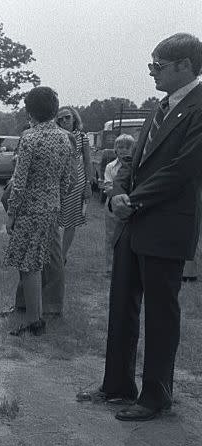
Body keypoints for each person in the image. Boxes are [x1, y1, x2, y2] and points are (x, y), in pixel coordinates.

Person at [78, 33, 202, 421]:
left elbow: (183, 168)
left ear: (185, 65)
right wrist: (116, 191)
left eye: (157, 67)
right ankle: (116, 386)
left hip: (165, 223)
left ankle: (155, 397)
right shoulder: (159, 107)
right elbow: (133, 160)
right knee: (121, 305)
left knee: (160, 314)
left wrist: (136, 200)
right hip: (133, 221)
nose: (151, 74)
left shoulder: (198, 108)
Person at [3, 86, 72, 336]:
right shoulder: (65, 137)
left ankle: (34, 320)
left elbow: (19, 182)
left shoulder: (30, 138)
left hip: (30, 207)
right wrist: (58, 201)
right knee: (38, 260)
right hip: (51, 206)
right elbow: (67, 178)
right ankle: (37, 314)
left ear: (30, 110)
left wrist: (11, 213)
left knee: (29, 263)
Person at [55, 106, 94, 261]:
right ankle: (54, 253)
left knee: (71, 220)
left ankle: (62, 256)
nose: (64, 121)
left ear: (74, 118)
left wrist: (89, 184)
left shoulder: (82, 137)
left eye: (67, 117)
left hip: (77, 180)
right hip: (57, 180)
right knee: (54, 218)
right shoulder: (56, 136)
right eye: (61, 118)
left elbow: (87, 161)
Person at [101, 134, 136, 272]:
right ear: (115, 149)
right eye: (120, 147)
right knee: (111, 235)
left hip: (130, 206)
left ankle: (126, 267)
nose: (124, 150)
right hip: (112, 207)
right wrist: (116, 192)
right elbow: (108, 186)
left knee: (128, 237)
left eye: (127, 147)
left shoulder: (135, 166)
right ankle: (110, 267)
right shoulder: (111, 166)